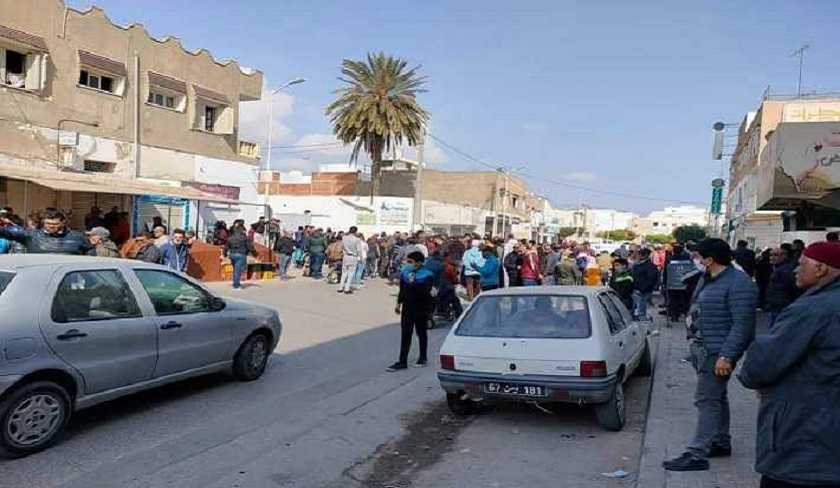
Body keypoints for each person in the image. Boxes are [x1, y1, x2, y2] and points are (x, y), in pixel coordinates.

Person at [738, 241, 840, 488]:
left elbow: (761, 364)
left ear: (821, 269)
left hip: (806, 442)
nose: (795, 269)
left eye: (801, 264)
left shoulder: (813, 309)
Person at [663, 238, 757, 472]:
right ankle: (720, 441)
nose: (696, 260)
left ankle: (697, 453)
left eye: (699, 257)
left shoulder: (739, 283)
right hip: (702, 349)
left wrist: (727, 355)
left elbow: (743, 325)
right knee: (717, 397)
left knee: (706, 400)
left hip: (718, 351)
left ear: (710, 259)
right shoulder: (708, 279)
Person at [388, 251, 434, 372]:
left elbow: (425, 293)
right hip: (407, 308)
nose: (407, 264)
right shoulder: (405, 272)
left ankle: (423, 357)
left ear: (419, 263)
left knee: (421, 333)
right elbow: (402, 290)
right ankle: (402, 361)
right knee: (405, 334)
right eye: (407, 261)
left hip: (421, 308)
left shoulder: (427, 275)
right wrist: (398, 303)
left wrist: (413, 282)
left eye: (410, 262)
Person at [0, 209, 89, 254]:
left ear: (63, 222)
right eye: (48, 223)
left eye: (55, 224)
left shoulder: (78, 237)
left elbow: (92, 253)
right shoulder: (31, 235)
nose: (51, 226)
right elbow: (6, 232)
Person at [763, 246, 800, 326]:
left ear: (784, 256)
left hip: (780, 307)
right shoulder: (778, 269)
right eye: (771, 255)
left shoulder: (785, 270)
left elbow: (791, 289)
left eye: (775, 255)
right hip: (776, 305)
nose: (772, 257)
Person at [631, 248, 659, 319]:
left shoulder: (649, 266)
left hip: (642, 291)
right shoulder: (638, 264)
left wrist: (642, 289)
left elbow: (651, 279)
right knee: (637, 310)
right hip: (637, 290)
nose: (638, 256)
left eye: (639, 254)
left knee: (641, 311)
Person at [338, 227, 362, 294]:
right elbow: (359, 250)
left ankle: (340, 287)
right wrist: (361, 258)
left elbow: (342, 246)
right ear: (355, 232)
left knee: (344, 272)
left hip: (346, 256)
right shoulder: (357, 240)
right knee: (350, 273)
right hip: (353, 257)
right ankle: (347, 288)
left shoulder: (344, 238)